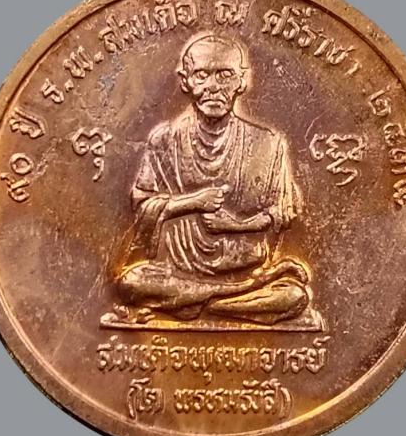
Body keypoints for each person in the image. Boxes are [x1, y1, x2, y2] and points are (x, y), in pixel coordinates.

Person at [114, 33, 315, 325]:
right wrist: (193, 202)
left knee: (294, 296)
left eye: (224, 75)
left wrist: (237, 225)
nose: (212, 86)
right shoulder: (164, 140)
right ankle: (228, 300)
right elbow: (144, 205)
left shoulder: (269, 143)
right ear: (185, 81)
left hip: (247, 269)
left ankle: (201, 303)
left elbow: (282, 212)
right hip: (177, 271)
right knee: (130, 282)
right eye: (201, 75)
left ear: (241, 81)